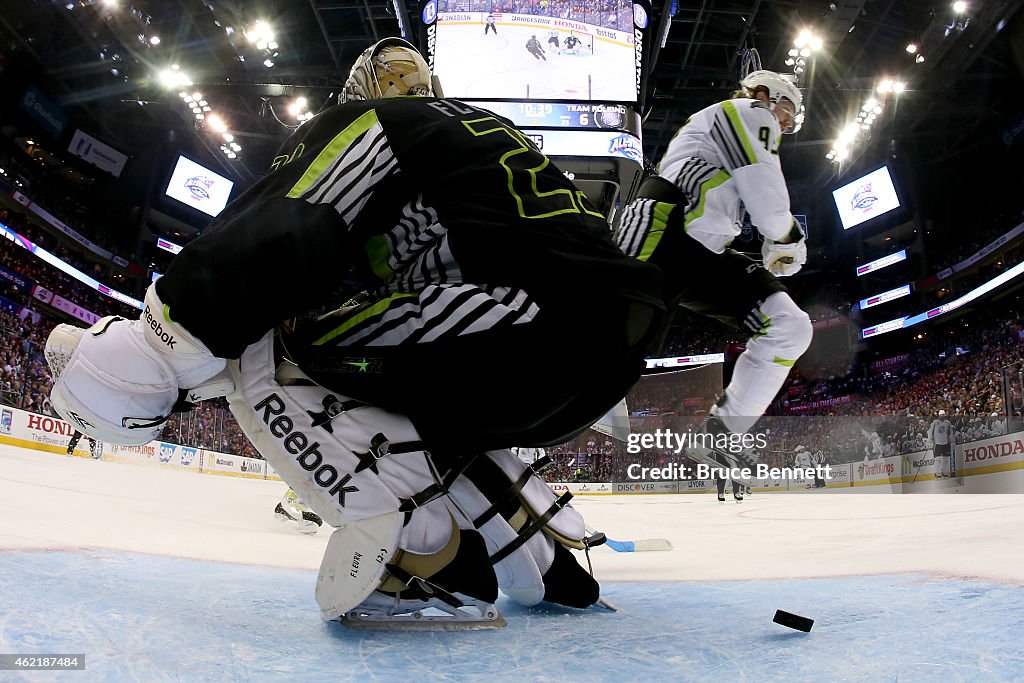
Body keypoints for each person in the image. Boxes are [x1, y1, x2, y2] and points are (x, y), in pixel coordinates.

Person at [44, 37, 663, 630]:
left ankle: (421, 558)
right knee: (402, 388)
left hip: (528, 325)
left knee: (279, 339)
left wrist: (150, 352)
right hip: (606, 347)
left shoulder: (378, 121)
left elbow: (284, 228)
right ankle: (541, 555)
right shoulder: (483, 135)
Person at [615, 70, 813, 473]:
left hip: (707, 249)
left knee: (789, 326)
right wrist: (788, 238)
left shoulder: (743, 122)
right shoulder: (749, 109)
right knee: (608, 343)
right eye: (787, 110)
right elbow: (767, 196)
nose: (787, 124)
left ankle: (719, 433)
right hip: (665, 223)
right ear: (763, 94)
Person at [928, 409, 954, 479]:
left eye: (943, 414)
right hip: (937, 443)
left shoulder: (947, 423)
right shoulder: (935, 422)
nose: (942, 416)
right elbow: (930, 432)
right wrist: (929, 441)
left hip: (945, 443)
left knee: (945, 459)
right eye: (940, 415)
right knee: (937, 459)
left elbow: (950, 433)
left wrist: (952, 441)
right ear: (938, 415)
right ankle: (937, 474)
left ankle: (945, 473)